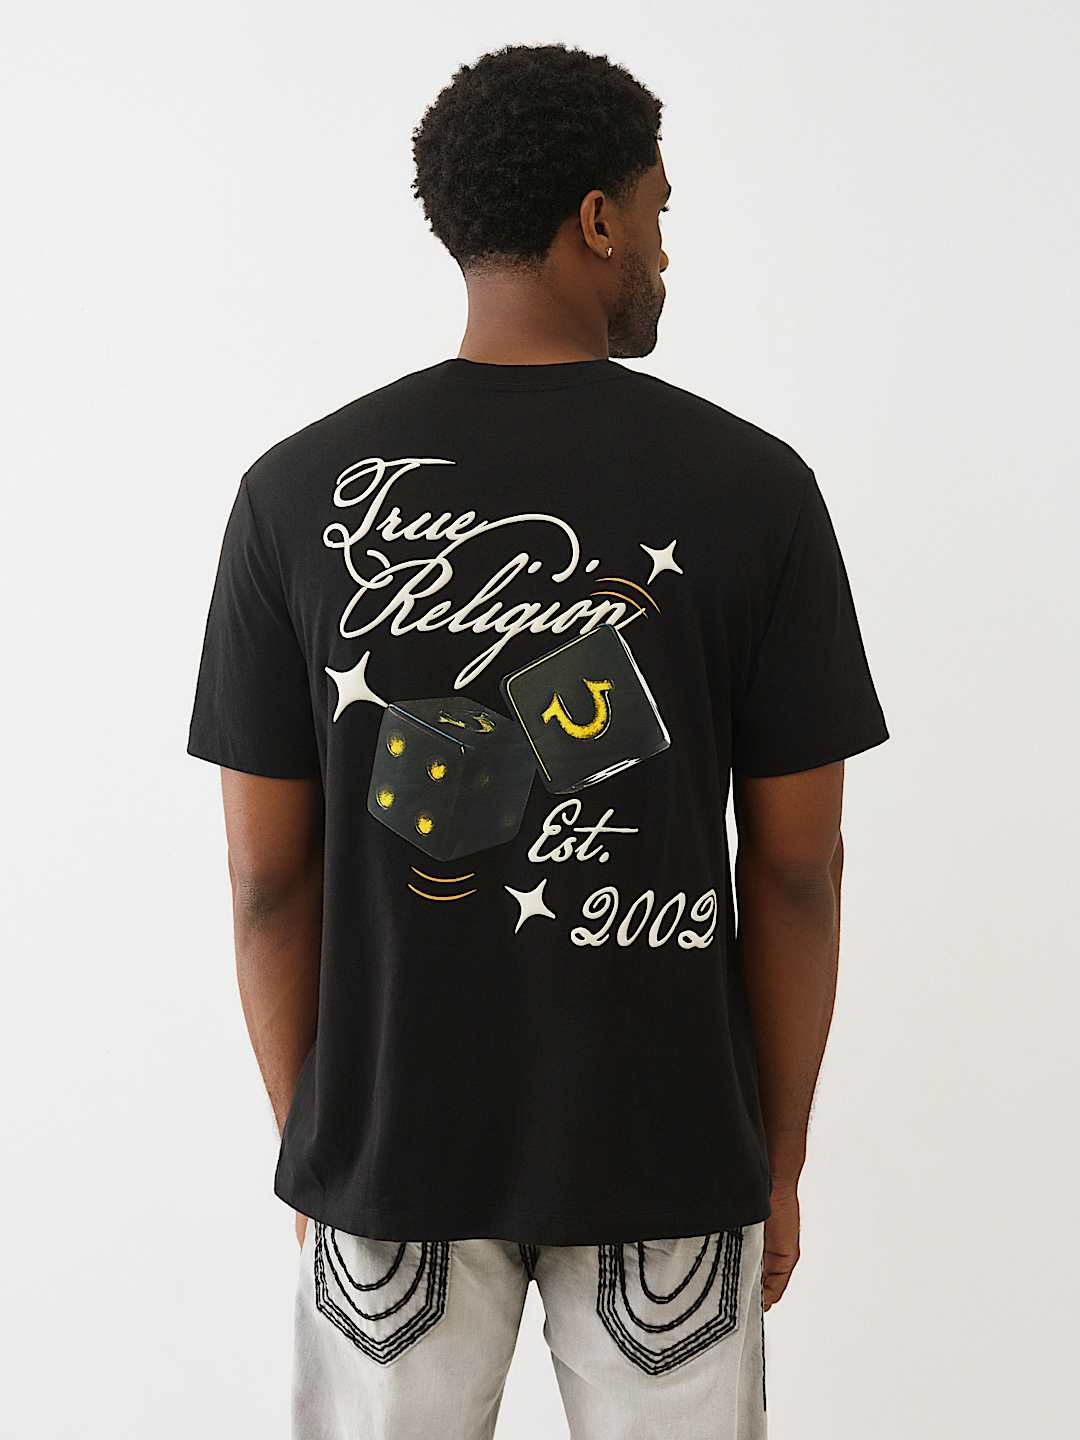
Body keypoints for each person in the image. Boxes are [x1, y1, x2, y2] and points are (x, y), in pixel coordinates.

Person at [188, 42, 888, 1440]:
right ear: (598, 220)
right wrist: (779, 1157)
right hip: (670, 1146)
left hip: (392, 1149)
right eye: (661, 210)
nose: (667, 250)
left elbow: (268, 881)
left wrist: (323, 1146)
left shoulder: (293, 492)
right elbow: (797, 871)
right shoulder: (755, 490)